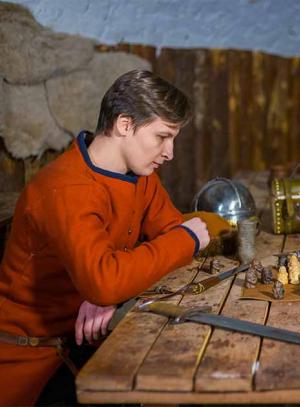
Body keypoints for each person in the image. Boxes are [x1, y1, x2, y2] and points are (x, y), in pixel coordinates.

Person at [0, 69, 210, 405]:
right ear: (125, 125)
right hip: (31, 363)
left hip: (90, 344)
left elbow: (166, 234)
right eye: (162, 137)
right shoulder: (67, 188)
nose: (169, 152)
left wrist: (114, 291)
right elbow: (172, 244)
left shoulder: (140, 175)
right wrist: (111, 284)